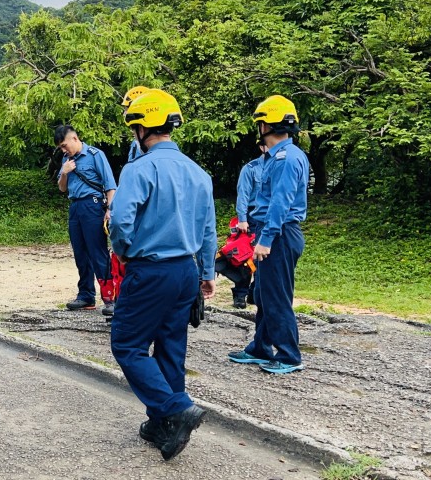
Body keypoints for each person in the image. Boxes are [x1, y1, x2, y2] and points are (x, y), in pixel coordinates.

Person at [108, 88, 217, 461]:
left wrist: (121, 249)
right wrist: (206, 273)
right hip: (186, 271)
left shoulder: (139, 169)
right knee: (171, 348)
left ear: (143, 128)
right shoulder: (198, 173)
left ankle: (177, 407)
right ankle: (163, 427)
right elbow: (207, 231)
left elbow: (121, 221)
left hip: (150, 271)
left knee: (128, 345)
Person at [228, 95, 309, 375]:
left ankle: (289, 355)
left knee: (276, 296)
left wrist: (266, 239)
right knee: (262, 293)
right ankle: (260, 348)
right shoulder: (277, 157)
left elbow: (280, 203)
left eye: (260, 122)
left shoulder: (286, 159)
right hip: (272, 232)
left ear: (267, 125)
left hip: (280, 234)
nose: (259, 127)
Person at [54, 125, 116, 314]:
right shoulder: (66, 160)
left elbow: (110, 184)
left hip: (93, 205)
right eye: (61, 148)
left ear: (75, 139)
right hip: (75, 207)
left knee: (98, 252)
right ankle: (86, 295)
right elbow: (62, 188)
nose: (64, 150)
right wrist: (64, 172)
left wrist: (110, 210)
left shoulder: (95, 155)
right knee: (80, 253)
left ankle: (110, 297)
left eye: (65, 146)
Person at [225, 143, 266, 309]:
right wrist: (242, 219)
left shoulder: (280, 166)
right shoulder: (251, 168)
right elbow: (243, 194)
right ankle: (240, 294)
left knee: (264, 257)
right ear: (262, 147)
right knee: (244, 258)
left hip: (269, 217)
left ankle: (255, 292)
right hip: (251, 217)